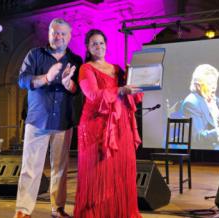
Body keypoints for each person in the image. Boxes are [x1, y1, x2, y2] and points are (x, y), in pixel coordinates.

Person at [13, 18, 82, 218]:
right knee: (30, 168)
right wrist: (46, 78)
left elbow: (78, 90)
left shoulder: (75, 60)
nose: (58, 36)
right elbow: (22, 80)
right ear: (49, 34)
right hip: (37, 120)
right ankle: (23, 210)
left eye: (62, 33)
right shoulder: (34, 55)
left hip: (63, 121)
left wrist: (69, 84)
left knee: (60, 169)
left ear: (69, 37)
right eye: (54, 32)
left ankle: (58, 208)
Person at [73, 29, 143, 218]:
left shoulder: (117, 69)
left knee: (120, 171)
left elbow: (133, 95)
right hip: (96, 126)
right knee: (98, 173)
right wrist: (120, 90)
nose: (99, 46)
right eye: (94, 43)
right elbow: (93, 96)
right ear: (88, 47)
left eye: (102, 43)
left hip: (121, 125)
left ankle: (120, 212)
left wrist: (134, 76)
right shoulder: (85, 69)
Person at [180, 64, 219, 150]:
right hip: (204, 149)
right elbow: (197, 137)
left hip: (217, 144)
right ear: (198, 86)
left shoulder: (210, 98)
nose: (214, 86)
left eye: (215, 82)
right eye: (209, 83)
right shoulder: (191, 103)